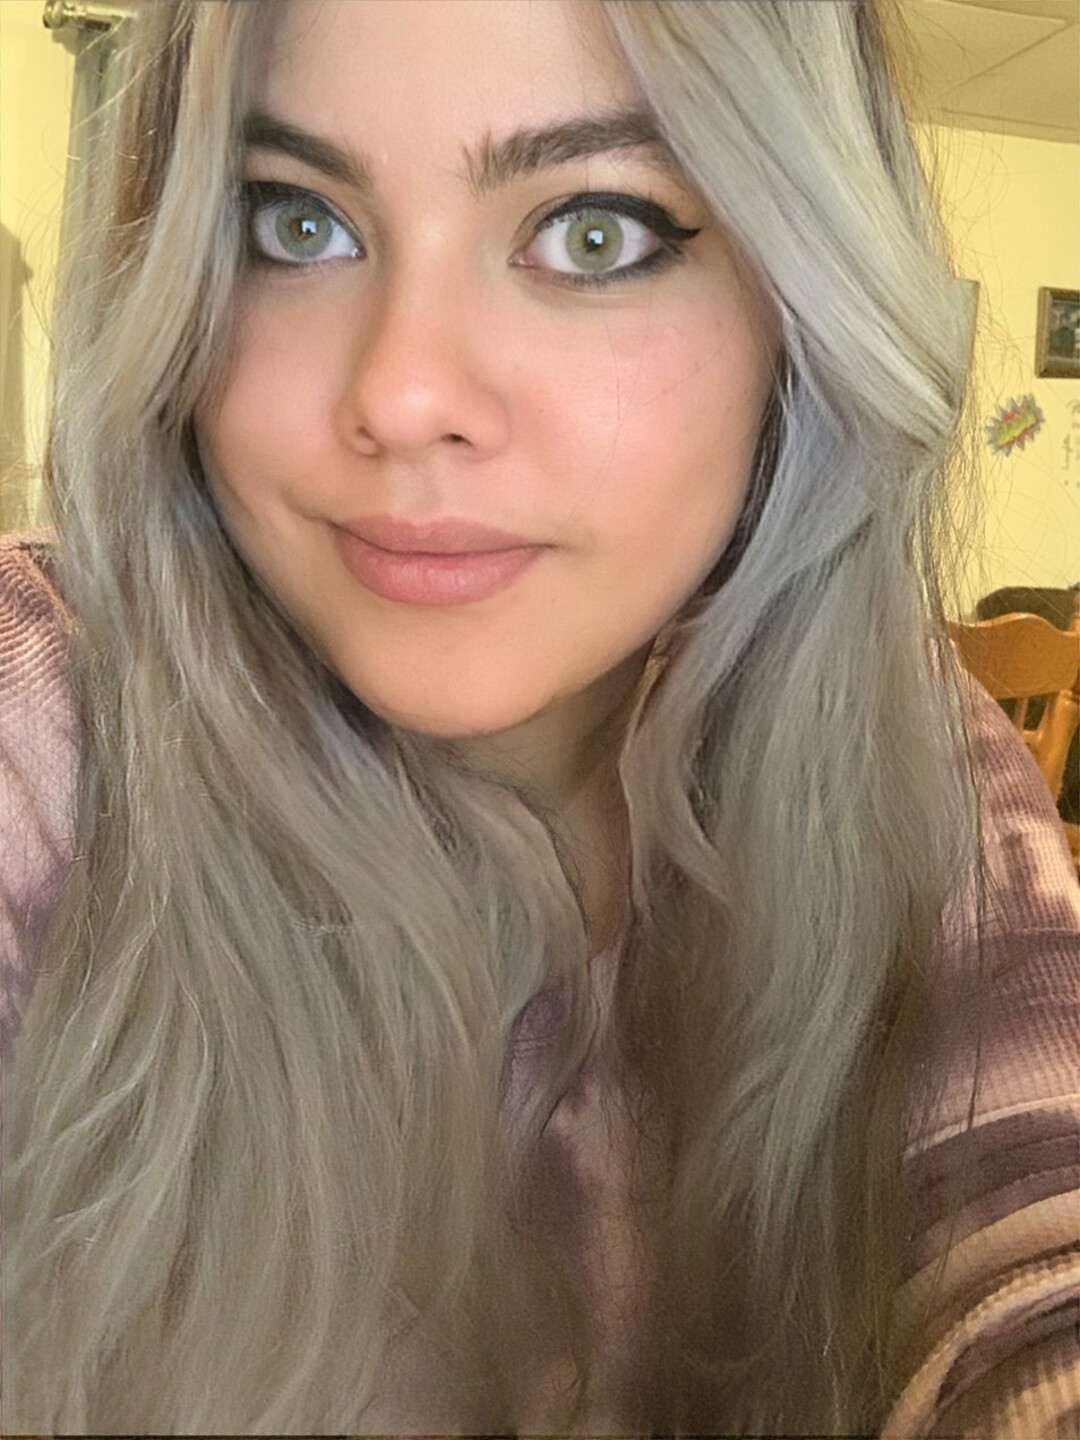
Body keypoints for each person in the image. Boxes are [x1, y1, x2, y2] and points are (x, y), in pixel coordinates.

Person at [1, 0, 1076, 1434]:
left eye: (593, 233)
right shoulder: (48, 703)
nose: (402, 396)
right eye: (294, 224)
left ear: (805, 308)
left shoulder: (910, 768)